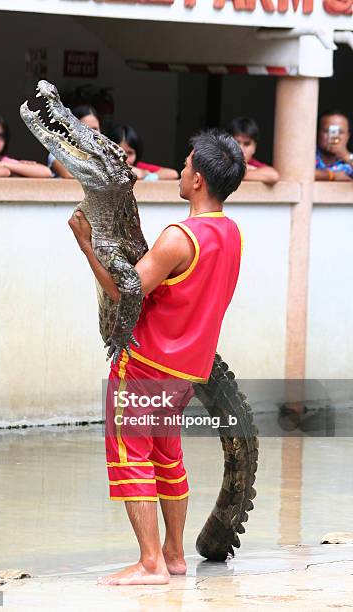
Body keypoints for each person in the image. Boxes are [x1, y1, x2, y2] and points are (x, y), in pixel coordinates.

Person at [68, 129, 246, 586]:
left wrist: (86, 245)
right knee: (167, 455)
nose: (182, 170)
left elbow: (124, 292)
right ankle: (174, 554)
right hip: (188, 370)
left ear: (200, 180)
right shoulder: (231, 234)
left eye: (187, 165)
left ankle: (150, 563)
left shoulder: (178, 237)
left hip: (146, 364)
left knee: (130, 454)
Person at [108, 124, 179, 180]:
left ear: (137, 153)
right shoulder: (102, 169)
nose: (125, 158)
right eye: (119, 152)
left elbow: (173, 173)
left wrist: (146, 175)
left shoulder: (138, 167)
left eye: (130, 153)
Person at [48, 105, 101, 178]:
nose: (92, 134)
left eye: (95, 129)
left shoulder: (103, 156)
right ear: (71, 131)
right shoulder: (58, 152)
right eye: (84, 130)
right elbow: (71, 176)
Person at [227, 117, 279, 185]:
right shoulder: (221, 161)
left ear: (254, 148)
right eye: (236, 142)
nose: (240, 148)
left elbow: (273, 176)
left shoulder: (253, 164)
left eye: (246, 144)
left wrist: (237, 173)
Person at [315, 110, 353, 181]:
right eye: (327, 131)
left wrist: (346, 156)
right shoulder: (308, 155)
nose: (334, 137)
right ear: (317, 133)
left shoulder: (350, 160)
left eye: (340, 132)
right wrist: (331, 175)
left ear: (348, 136)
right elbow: (295, 173)